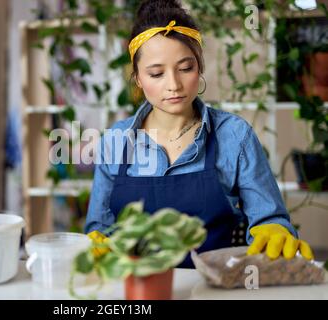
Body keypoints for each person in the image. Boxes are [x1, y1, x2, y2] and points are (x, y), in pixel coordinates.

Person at [84, 0, 314, 268]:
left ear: (200, 66)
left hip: (215, 288)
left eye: (185, 68)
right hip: (137, 293)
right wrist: (95, 241)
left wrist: (275, 230)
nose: (173, 84)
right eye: (156, 73)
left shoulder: (234, 136)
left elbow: (269, 219)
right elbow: (99, 227)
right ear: (137, 78)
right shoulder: (116, 140)